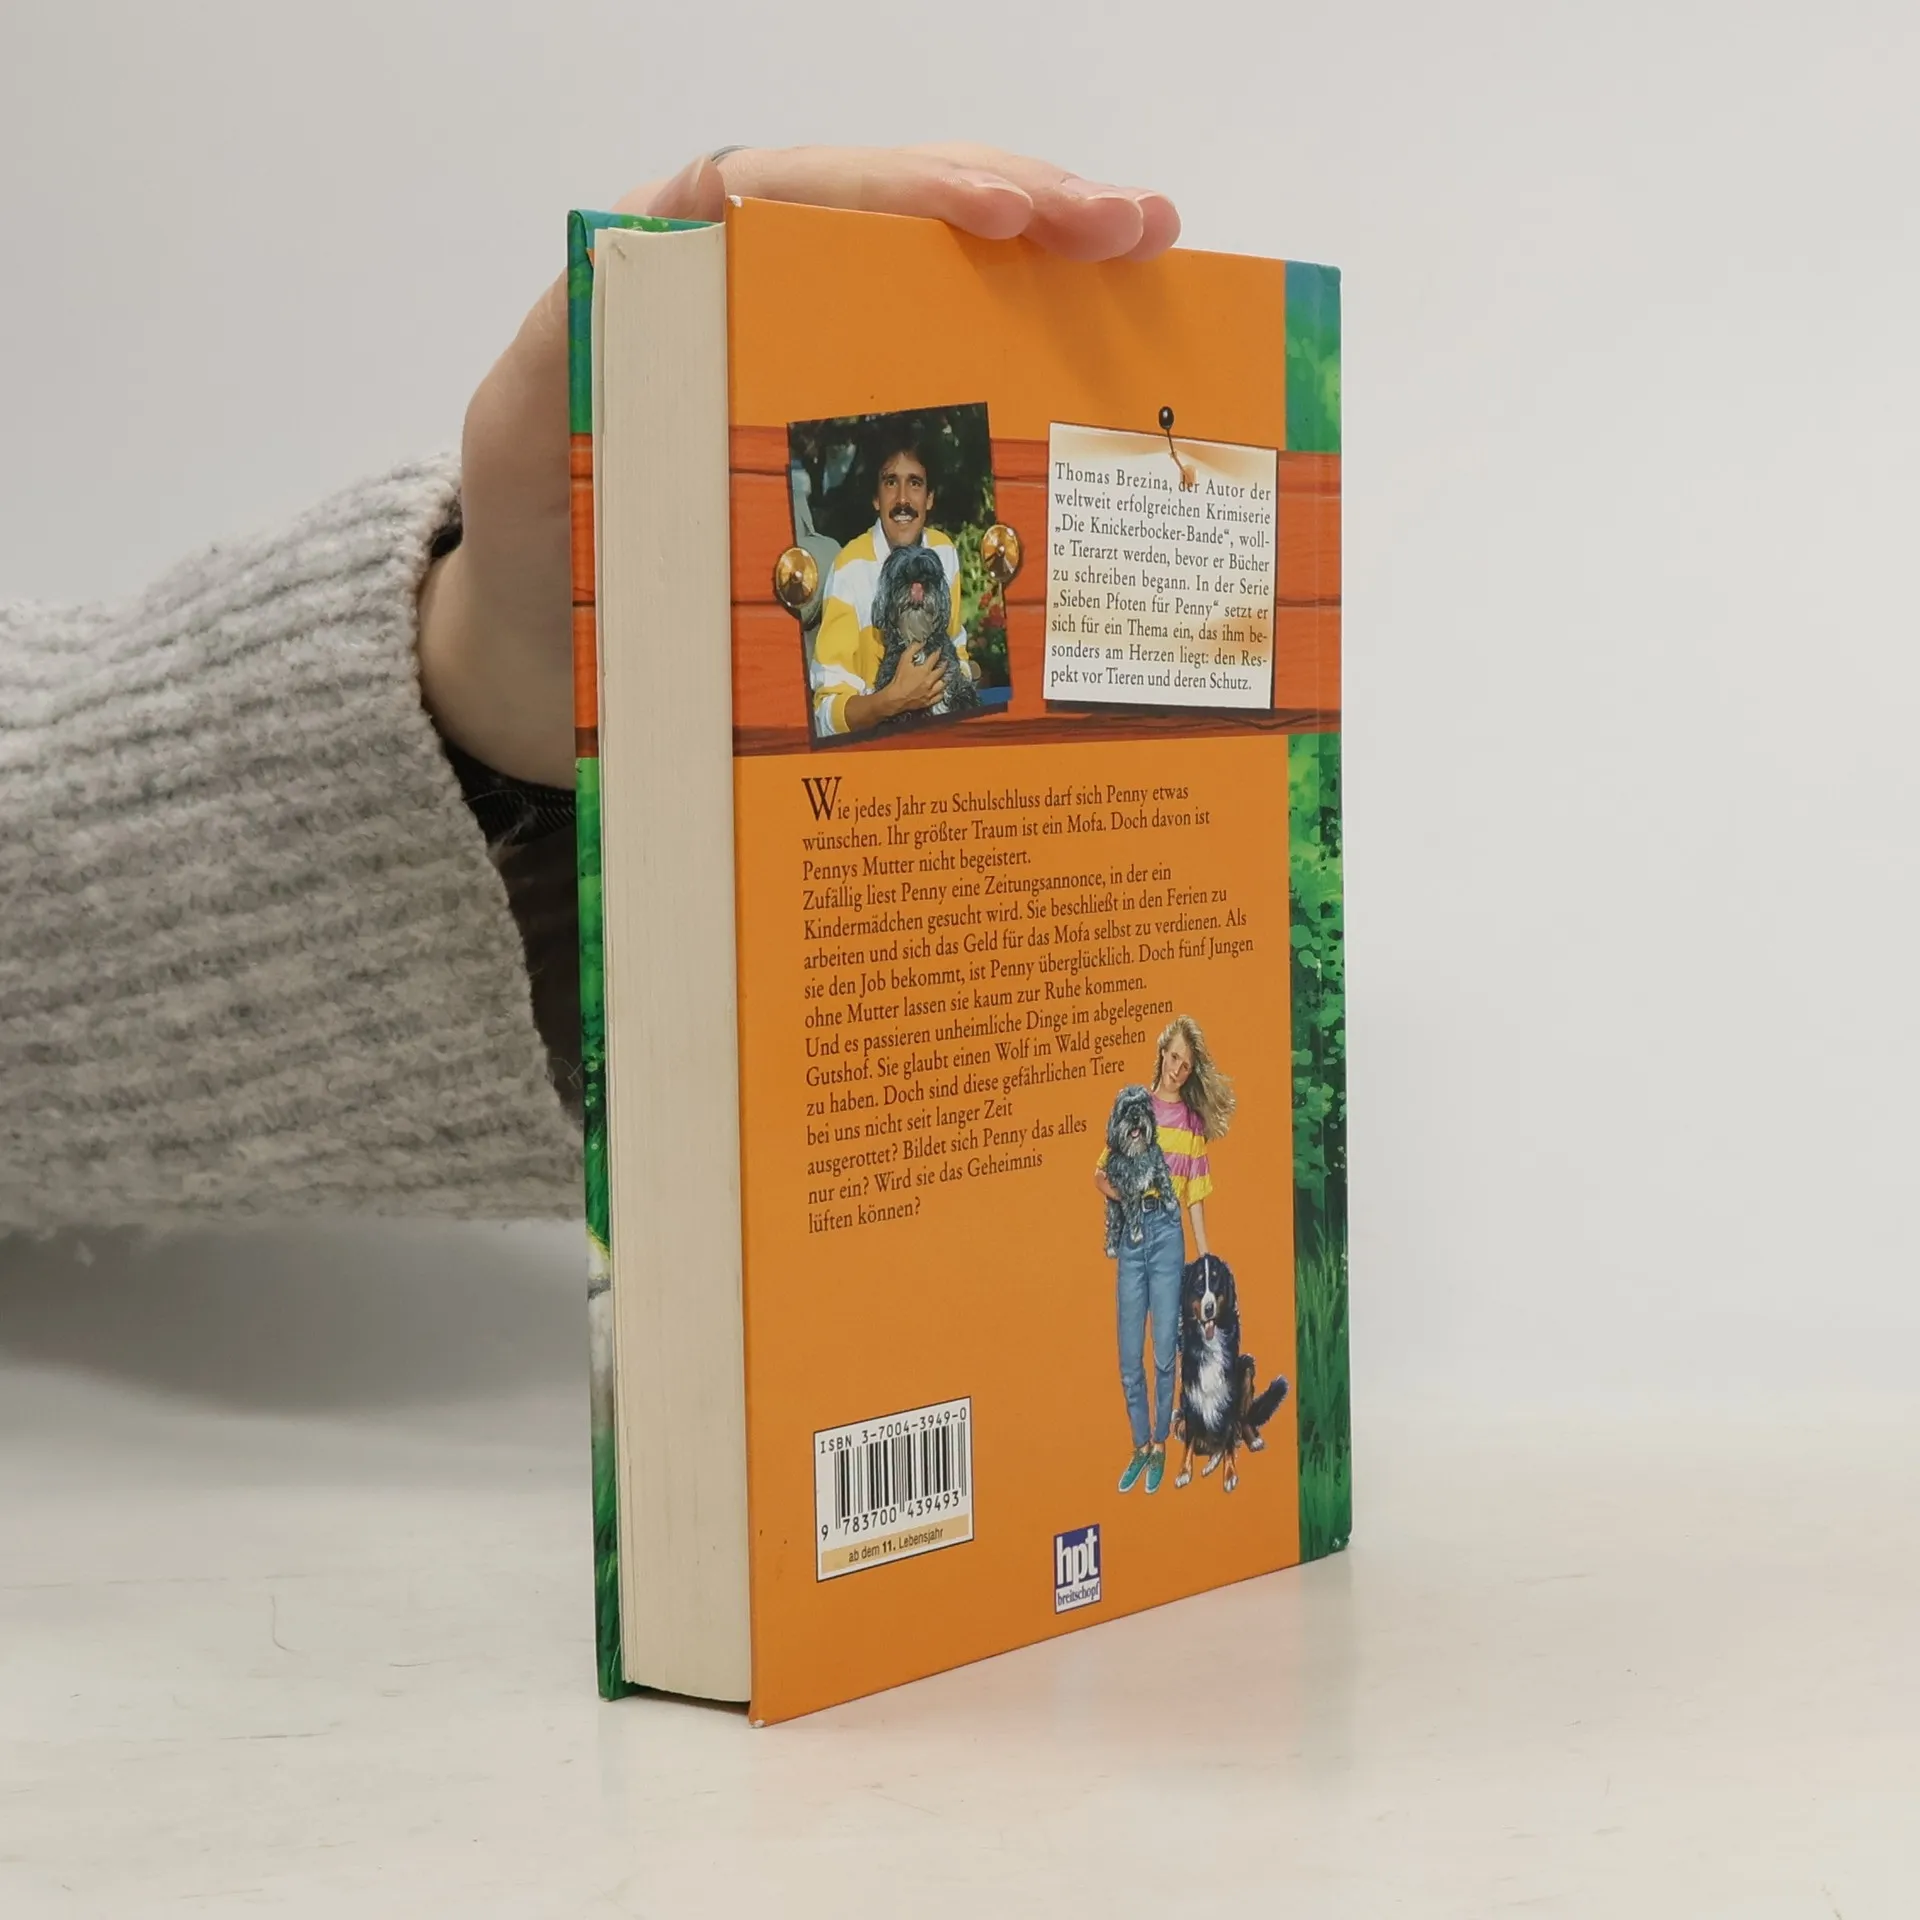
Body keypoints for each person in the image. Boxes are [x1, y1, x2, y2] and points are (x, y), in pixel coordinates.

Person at [0, 146, 1178, 1232]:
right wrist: (477, 694)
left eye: (923, 486)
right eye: (897, 486)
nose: (910, 500)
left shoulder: (952, 575)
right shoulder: (843, 579)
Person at [1093, 1015, 1235, 1494]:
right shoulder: (1135, 1104)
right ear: (1161, 1053)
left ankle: (1157, 1445)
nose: (1177, 1068)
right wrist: (1128, 1197)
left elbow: (1194, 1196)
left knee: (1163, 1353)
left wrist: (1207, 1260)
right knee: (1129, 1354)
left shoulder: (1191, 1125)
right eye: (1173, 1057)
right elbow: (1100, 1173)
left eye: (1186, 1064)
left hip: (1169, 1235)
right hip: (1133, 1235)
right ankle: (1138, 1446)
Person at [809, 435, 970, 737]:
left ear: (930, 498)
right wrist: (891, 701)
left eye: (915, 483)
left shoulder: (944, 550)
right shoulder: (849, 569)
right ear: (876, 498)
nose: (903, 500)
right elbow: (826, 714)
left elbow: (957, 646)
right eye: (891, 483)